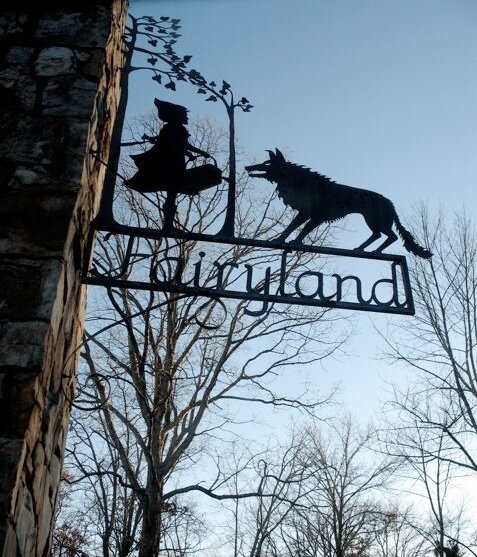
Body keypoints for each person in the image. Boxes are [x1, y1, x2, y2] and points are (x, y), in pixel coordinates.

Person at [124, 99, 222, 231]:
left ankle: (168, 224)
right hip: (172, 165)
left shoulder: (171, 128)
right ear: (178, 116)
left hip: (173, 163)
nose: (186, 117)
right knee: (172, 192)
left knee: (172, 194)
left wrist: (190, 154)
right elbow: (180, 145)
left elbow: (178, 145)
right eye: (184, 115)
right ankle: (168, 225)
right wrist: (200, 152)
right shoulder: (176, 129)